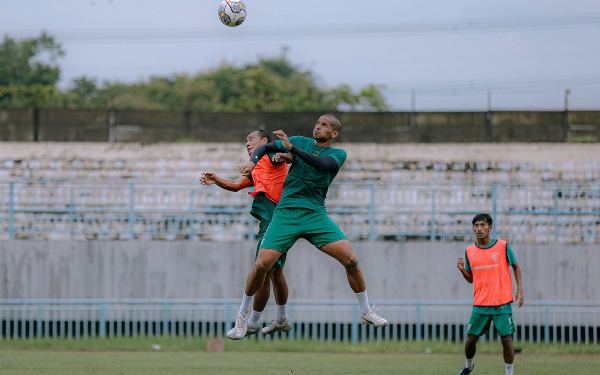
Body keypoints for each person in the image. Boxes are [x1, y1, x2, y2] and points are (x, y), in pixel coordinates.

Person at [229, 114, 388, 340]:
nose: (318, 127)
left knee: (351, 259)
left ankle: (366, 311)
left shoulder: (337, 154)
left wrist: (292, 151)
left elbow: (322, 165)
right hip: (286, 213)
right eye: (318, 123)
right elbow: (265, 149)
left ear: (334, 134)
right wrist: (255, 162)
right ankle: (242, 317)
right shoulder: (299, 141)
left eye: (325, 125)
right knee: (262, 265)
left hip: (315, 214)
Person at [200, 129, 294, 339]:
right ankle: (281, 318)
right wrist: (217, 180)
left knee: (262, 271)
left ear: (264, 141)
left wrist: (283, 154)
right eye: (246, 141)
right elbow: (235, 185)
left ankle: (250, 322)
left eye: (251, 139)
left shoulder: (270, 156)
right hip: (275, 221)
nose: (247, 143)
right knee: (275, 273)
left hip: (276, 219)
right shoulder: (256, 168)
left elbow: (286, 157)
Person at [456, 213, 524, 375]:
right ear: (473, 228)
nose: (479, 228)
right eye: (476, 225)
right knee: (471, 340)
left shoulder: (503, 246)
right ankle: (468, 365)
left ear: (490, 228)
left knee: (506, 340)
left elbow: (516, 267)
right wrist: (462, 271)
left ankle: (509, 373)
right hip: (480, 303)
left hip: (502, 302)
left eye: (483, 225)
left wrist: (519, 290)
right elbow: (471, 279)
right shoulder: (469, 251)